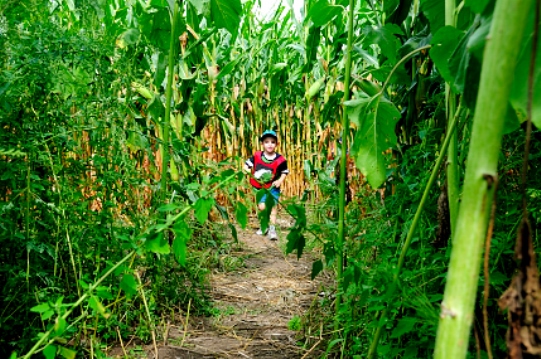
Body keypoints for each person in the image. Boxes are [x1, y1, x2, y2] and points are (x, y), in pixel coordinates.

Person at [244, 130, 289, 240]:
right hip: (259, 188)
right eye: (267, 142)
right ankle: (265, 225)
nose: (270, 144)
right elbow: (247, 165)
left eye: (273, 142)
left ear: (277, 144)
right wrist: (246, 170)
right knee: (262, 207)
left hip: (273, 187)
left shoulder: (280, 160)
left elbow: (285, 172)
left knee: (272, 206)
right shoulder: (257, 156)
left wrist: (279, 181)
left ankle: (272, 229)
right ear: (262, 144)